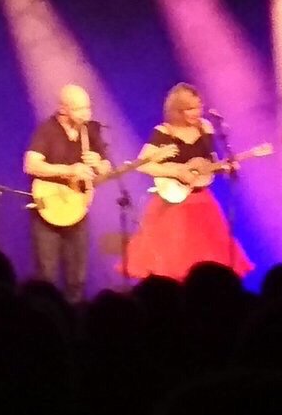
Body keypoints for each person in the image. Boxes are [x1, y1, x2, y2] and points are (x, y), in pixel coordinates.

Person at [124, 83, 253, 280]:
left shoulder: (205, 128)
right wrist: (176, 170)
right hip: (172, 204)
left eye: (198, 107)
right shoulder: (164, 132)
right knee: (172, 261)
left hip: (201, 202)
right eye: (190, 109)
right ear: (177, 110)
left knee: (208, 259)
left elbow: (209, 162)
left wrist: (224, 168)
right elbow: (141, 164)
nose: (197, 113)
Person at [23, 84, 112, 303]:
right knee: (47, 276)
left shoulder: (90, 130)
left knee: (77, 277)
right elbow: (30, 165)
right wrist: (69, 170)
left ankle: (75, 325)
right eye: (80, 109)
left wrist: (99, 164)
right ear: (63, 109)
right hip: (48, 211)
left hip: (77, 209)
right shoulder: (47, 130)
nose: (87, 114)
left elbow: (106, 167)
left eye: (88, 108)